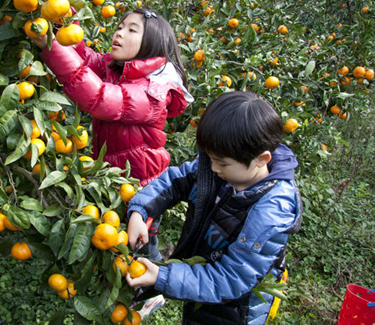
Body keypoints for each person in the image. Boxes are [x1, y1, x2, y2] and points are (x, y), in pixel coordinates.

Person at [125, 91, 303, 324]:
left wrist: (162, 276)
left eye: (222, 163)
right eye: (210, 158)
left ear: (262, 159)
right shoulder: (221, 167)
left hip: (235, 310)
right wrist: (140, 210)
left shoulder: (270, 213)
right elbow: (175, 180)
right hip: (199, 283)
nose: (213, 167)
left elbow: (231, 279)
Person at [31, 8, 193, 187]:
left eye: (131, 30)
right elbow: (84, 58)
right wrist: (63, 16)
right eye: (120, 27)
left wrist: (52, 47)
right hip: (109, 178)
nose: (120, 34)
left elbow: (98, 97)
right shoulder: (118, 69)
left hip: (139, 188)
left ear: (152, 44)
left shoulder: (154, 92)